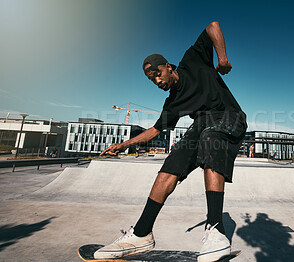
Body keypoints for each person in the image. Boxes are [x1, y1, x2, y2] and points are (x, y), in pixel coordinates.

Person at [97, 21, 247, 262]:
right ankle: (142, 233)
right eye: (152, 80)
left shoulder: (193, 60)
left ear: (168, 66)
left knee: (210, 136)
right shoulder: (173, 102)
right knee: (171, 165)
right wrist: (123, 145)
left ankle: (216, 229)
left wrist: (222, 59)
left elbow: (213, 26)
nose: (157, 81)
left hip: (229, 117)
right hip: (202, 125)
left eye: (158, 74)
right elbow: (156, 130)